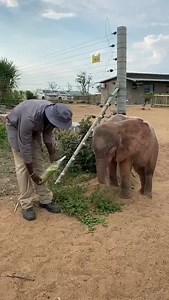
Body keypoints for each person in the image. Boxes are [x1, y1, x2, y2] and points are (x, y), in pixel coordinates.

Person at [6, 99, 73, 221]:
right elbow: (25, 147)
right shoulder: (29, 119)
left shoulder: (51, 115)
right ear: (51, 117)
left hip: (34, 128)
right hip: (16, 127)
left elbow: (47, 134)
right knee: (23, 166)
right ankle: (26, 204)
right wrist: (32, 173)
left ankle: (45, 199)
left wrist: (52, 154)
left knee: (38, 162)